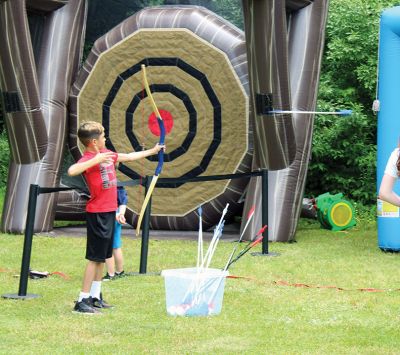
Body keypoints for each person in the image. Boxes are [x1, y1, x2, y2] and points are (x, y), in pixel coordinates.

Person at [68, 121, 164, 314]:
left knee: (103, 256)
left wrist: (153, 151)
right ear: (94, 142)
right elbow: (72, 171)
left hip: (109, 211)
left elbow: (128, 156)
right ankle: (82, 300)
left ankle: (95, 296)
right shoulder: (89, 157)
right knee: (94, 258)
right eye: (103, 137)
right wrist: (96, 159)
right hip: (97, 213)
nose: (105, 139)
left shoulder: (109, 155)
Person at [103, 186, 128, 281]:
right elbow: (123, 200)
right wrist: (121, 214)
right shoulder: (117, 184)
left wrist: (119, 214)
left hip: (110, 213)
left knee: (108, 246)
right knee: (116, 246)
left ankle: (111, 274)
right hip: (116, 213)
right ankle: (119, 271)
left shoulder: (108, 182)